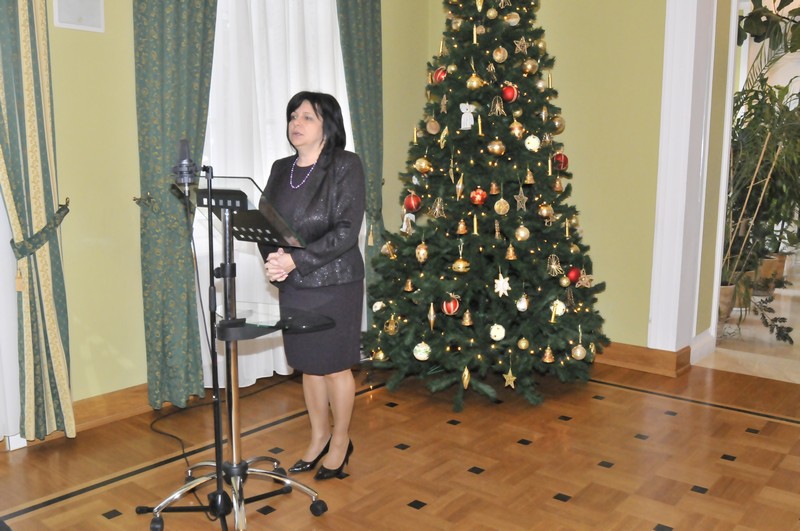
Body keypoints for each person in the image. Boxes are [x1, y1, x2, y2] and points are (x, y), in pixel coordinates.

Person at [260, 91, 365, 481]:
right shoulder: (280, 168)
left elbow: (346, 231)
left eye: (307, 116)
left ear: (327, 125)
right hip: (294, 282)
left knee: (334, 366)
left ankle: (341, 441)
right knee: (308, 365)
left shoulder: (345, 165)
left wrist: (296, 260)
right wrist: (274, 260)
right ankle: (319, 436)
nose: (296, 123)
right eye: (293, 116)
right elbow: (266, 223)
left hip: (335, 282)